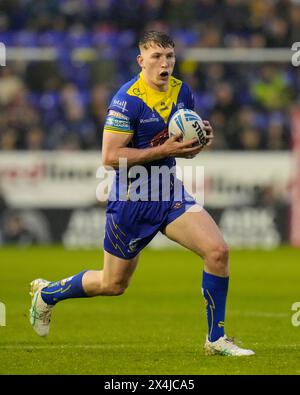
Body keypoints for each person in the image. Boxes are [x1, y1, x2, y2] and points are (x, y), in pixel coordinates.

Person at [29, 31, 254, 357]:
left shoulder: (182, 91)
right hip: (131, 202)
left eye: (170, 57)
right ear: (141, 61)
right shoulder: (127, 100)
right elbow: (109, 157)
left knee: (217, 252)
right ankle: (49, 293)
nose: (165, 64)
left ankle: (216, 339)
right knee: (113, 284)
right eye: (157, 57)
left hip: (169, 193)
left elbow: (184, 149)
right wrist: (165, 148)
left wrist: (200, 140)